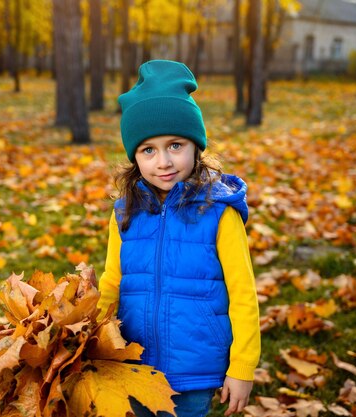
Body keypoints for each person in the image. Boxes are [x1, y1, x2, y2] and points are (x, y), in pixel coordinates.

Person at [98, 60, 261, 417]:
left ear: (195, 146)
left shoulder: (219, 212)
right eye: (148, 150)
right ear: (135, 157)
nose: (163, 162)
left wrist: (242, 366)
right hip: (133, 363)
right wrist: (90, 341)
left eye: (175, 145)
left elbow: (243, 293)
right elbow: (112, 282)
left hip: (193, 369)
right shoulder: (125, 212)